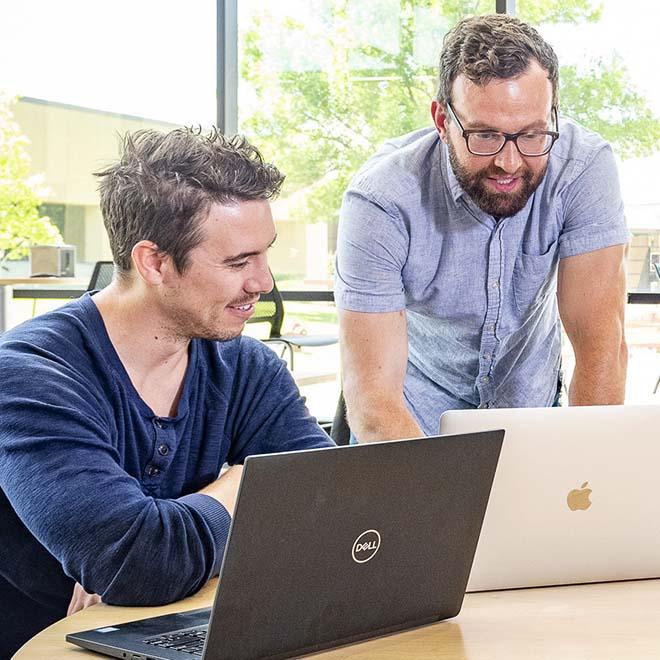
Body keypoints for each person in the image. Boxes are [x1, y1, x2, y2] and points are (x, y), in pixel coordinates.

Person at [0, 127, 333, 656]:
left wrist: (165, 542)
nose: (264, 283)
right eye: (238, 262)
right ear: (154, 262)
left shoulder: (245, 366)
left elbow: (333, 504)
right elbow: (143, 563)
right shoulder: (28, 375)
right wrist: (246, 483)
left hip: (184, 630)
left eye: (264, 255)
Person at [335, 14, 629, 442]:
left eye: (531, 134)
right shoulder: (381, 200)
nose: (509, 163)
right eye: (485, 136)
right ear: (442, 121)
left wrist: (585, 471)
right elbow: (373, 398)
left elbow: (601, 350)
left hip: (530, 411)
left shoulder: (583, 169)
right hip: (412, 421)